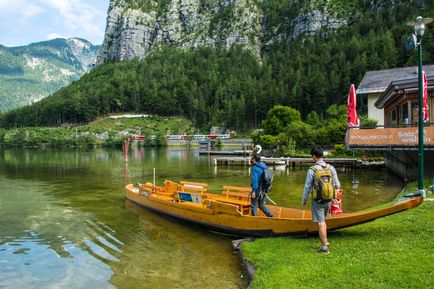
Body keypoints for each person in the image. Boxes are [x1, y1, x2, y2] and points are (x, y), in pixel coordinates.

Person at [302, 145, 340, 253]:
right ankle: (325, 241)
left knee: (320, 222)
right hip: (328, 199)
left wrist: (304, 200)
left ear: (314, 156)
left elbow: (307, 187)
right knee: (323, 221)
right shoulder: (331, 168)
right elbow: (337, 185)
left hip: (317, 200)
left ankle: (324, 248)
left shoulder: (312, 170)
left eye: (312, 156)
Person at [250, 153, 273, 217]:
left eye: (252, 158)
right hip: (264, 188)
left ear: (254, 159)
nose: (251, 159)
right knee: (261, 204)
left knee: (253, 205)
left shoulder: (255, 168)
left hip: (257, 189)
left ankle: (255, 220)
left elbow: (255, 181)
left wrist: (254, 191)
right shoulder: (264, 166)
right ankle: (269, 214)